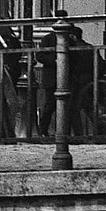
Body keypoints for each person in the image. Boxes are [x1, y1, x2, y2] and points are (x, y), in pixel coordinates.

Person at [36, 9, 77, 138]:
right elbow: (40, 56)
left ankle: (64, 132)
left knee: (66, 106)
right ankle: (43, 131)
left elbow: (75, 56)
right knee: (49, 106)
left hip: (65, 77)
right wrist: (54, 61)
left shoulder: (70, 38)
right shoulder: (48, 39)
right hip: (51, 76)